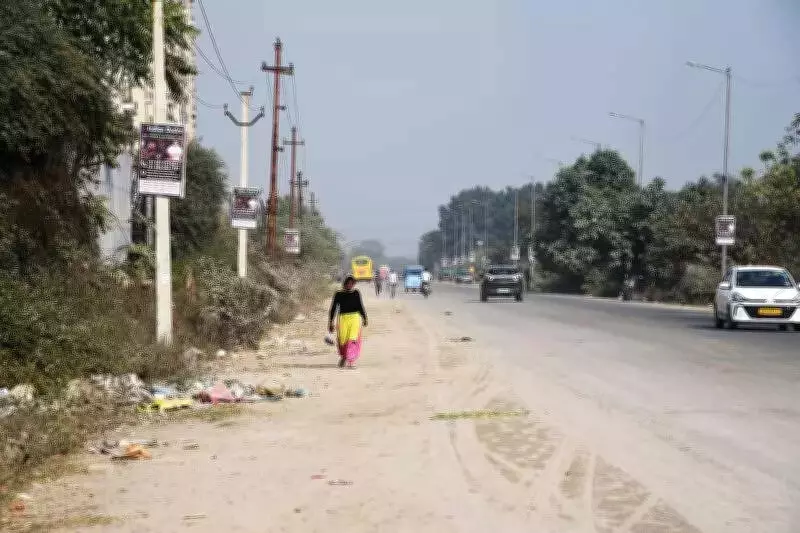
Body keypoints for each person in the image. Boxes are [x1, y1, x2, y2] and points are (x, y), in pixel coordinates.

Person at [329, 275, 368, 368]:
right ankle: (344, 356)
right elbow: (333, 308)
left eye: (352, 284)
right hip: (343, 319)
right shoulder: (338, 294)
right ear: (344, 284)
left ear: (354, 284)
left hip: (355, 318)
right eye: (348, 283)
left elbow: (360, 306)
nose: (350, 285)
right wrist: (331, 322)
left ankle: (351, 361)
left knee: (352, 339)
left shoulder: (356, 293)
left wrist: (364, 318)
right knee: (343, 340)